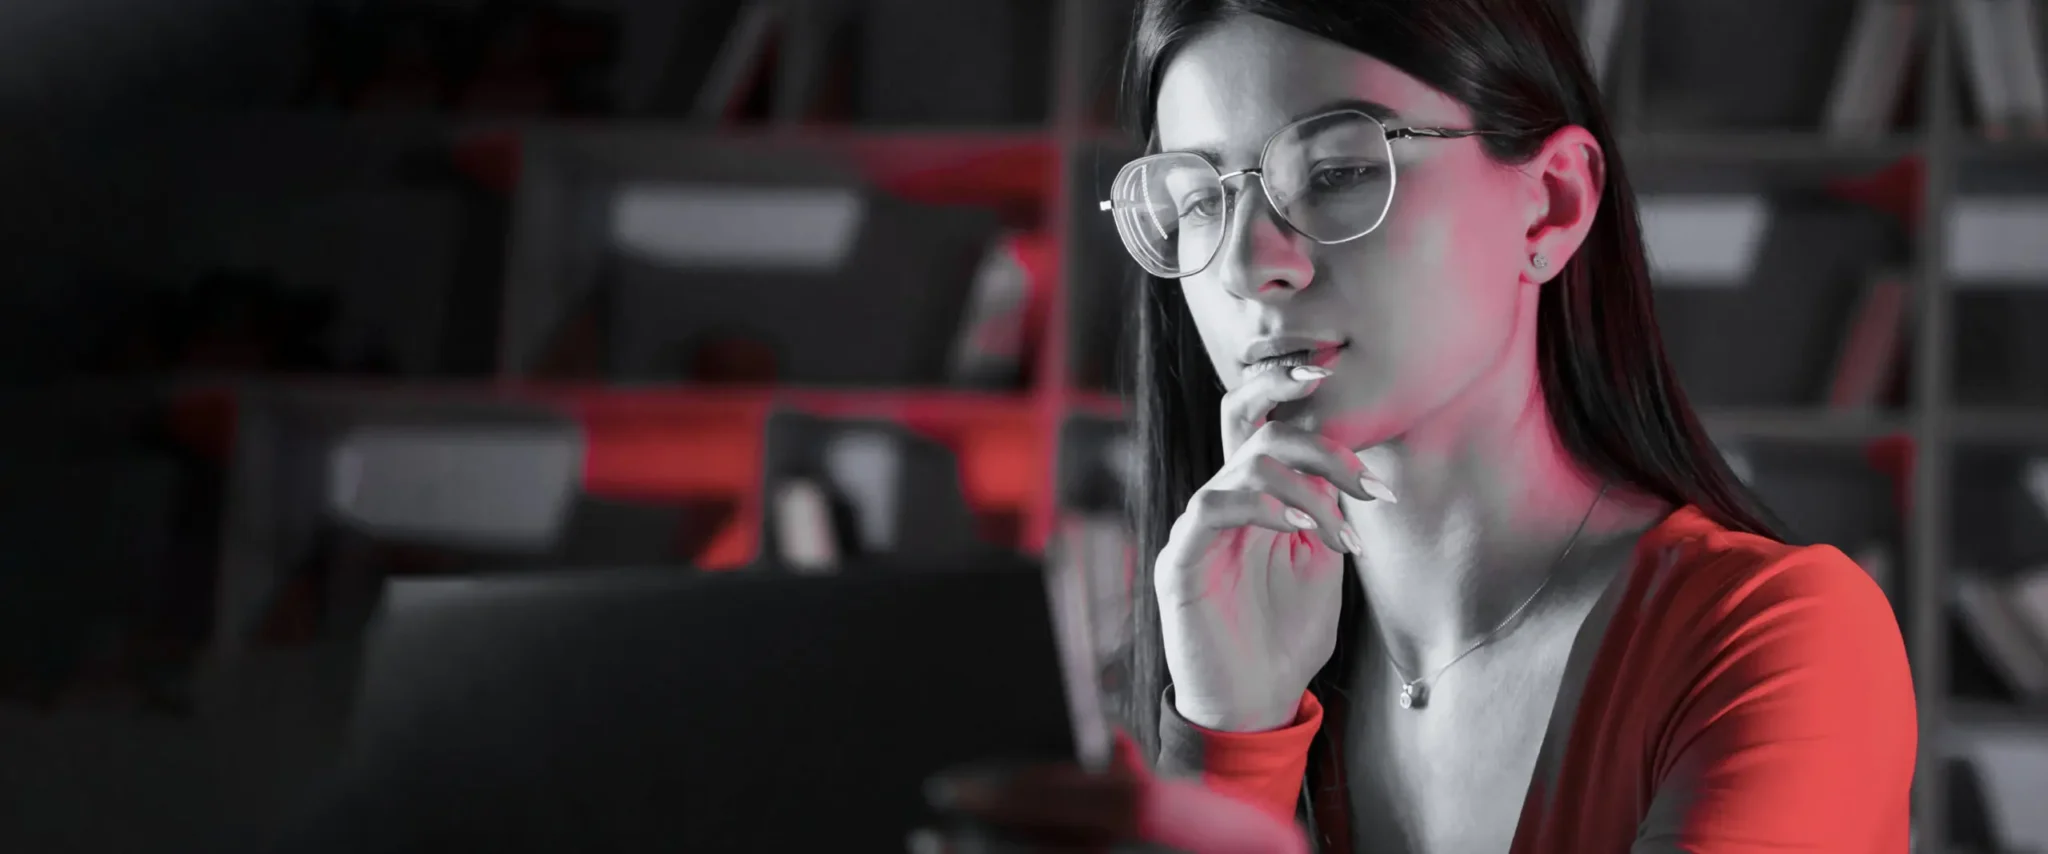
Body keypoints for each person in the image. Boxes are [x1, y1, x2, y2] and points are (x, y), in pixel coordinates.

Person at [919, 0, 1918, 852]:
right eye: (1195, 202)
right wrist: (1231, 736)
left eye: (1339, 169)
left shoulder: (1775, 640)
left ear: (1550, 206)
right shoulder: (1224, 661)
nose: (1244, 265)